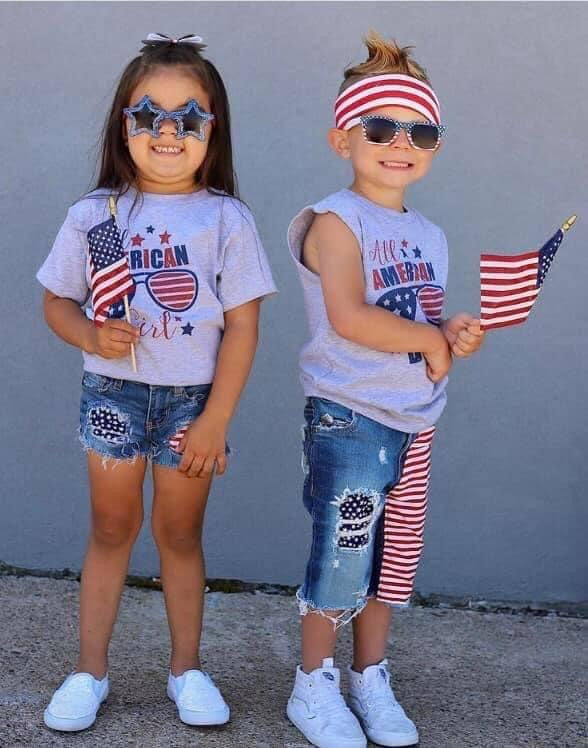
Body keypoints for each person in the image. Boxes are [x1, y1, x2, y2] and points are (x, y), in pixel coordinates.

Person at [36, 32, 276, 733]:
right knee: (112, 528)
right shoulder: (96, 214)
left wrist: (217, 419)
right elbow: (56, 301)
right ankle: (90, 671)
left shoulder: (227, 219)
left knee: (180, 532)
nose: (167, 132)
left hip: (192, 404)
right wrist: (89, 334)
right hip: (112, 393)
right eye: (149, 114)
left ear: (213, 128)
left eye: (188, 117)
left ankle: (186, 669)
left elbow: (244, 328)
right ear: (125, 124)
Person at [286, 31, 484, 748]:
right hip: (351, 418)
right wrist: (430, 340)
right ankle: (314, 683)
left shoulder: (429, 233)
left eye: (420, 131)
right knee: (343, 551)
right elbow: (349, 316)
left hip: (414, 419)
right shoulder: (334, 222)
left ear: (434, 147)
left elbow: (419, 321)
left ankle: (369, 675)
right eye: (381, 127)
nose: (400, 143)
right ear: (345, 137)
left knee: (394, 559)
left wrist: (450, 329)